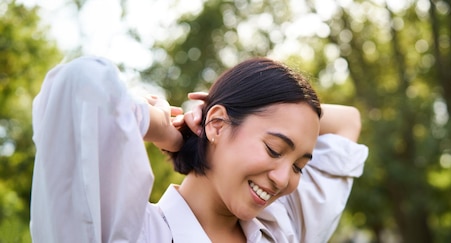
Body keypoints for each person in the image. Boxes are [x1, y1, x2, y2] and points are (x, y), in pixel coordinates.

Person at [30, 56, 368, 242]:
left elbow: (347, 122)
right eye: (274, 148)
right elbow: (79, 85)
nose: (283, 179)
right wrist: (161, 127)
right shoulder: (131, 234)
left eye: (299, 166)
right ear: (218, 125)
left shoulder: (283, 227)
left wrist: (230, 106)